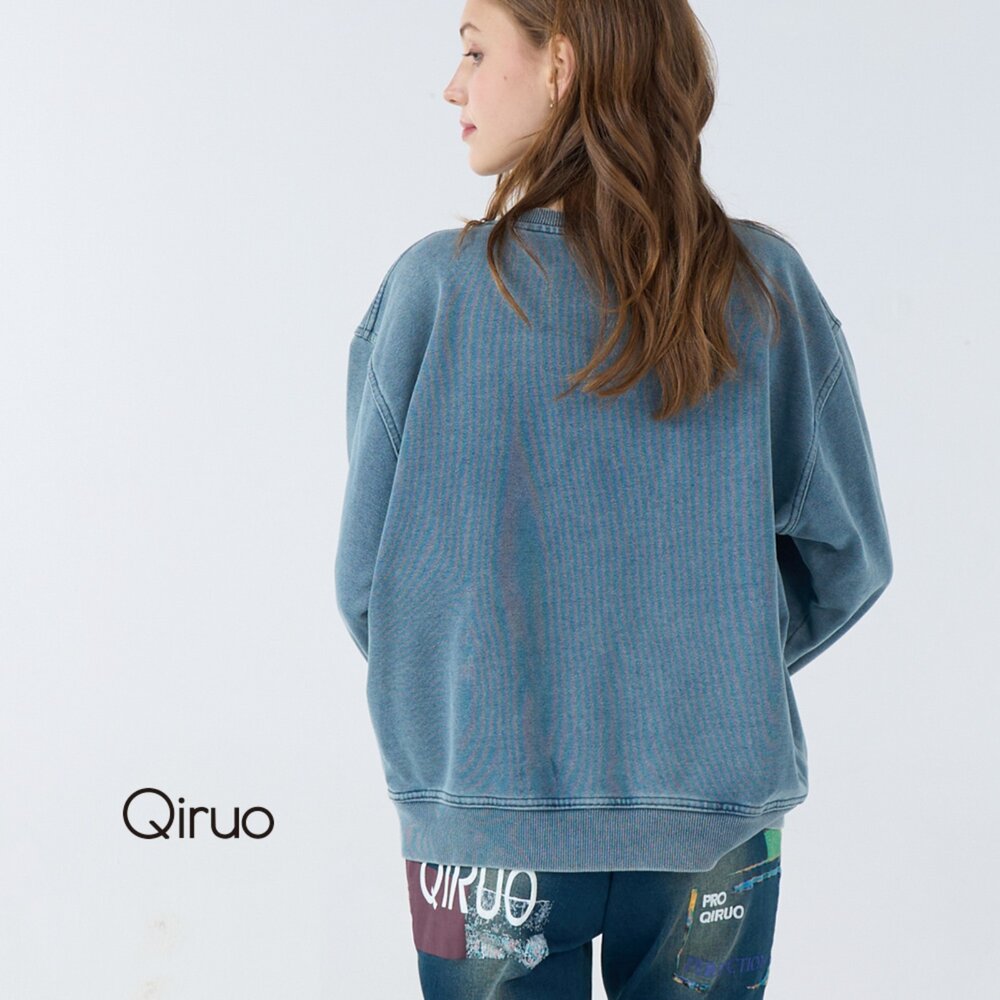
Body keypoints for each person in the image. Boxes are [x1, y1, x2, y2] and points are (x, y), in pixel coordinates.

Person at [335, 0, 894, 996]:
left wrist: (490, 696)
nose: (453, 86)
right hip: (711, 821)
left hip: (480, 829)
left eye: (475, 52)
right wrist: (705, 666)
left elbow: (374, 586)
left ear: (562, 64)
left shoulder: (433, 290)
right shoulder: (763, 285)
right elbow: (844, 556)